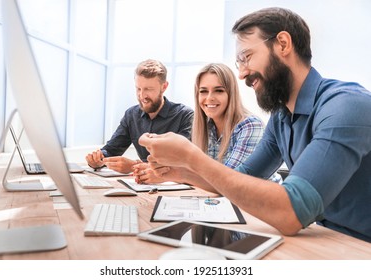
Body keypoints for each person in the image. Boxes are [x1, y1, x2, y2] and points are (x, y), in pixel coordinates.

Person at [138, 7, 371, 242]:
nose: (241, 74)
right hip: (328, 240)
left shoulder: (347, 106)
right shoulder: (281, 118)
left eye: (246, 57)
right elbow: (237, 177)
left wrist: (190, 157)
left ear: (282, 44)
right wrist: (179, 172)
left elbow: (292, 212)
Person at [133, 62, 265, 184]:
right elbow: (193, 170)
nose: (209, 98)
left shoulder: (250, 126)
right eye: (203, 91)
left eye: (219, 90)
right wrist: (158, 169)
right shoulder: (203, 127)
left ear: (231, 94)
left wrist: (172, 175)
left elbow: (229, 181)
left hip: (256, 207)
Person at [86, 59, 193, 174]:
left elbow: (183, 161)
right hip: (143, 185)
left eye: (148, 89)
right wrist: (97, 160)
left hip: (176, 186)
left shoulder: (185, 116)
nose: (142, 95)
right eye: (138, 89)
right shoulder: (131, 115)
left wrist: (135, 166)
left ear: (164, 87)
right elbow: (111, 150)